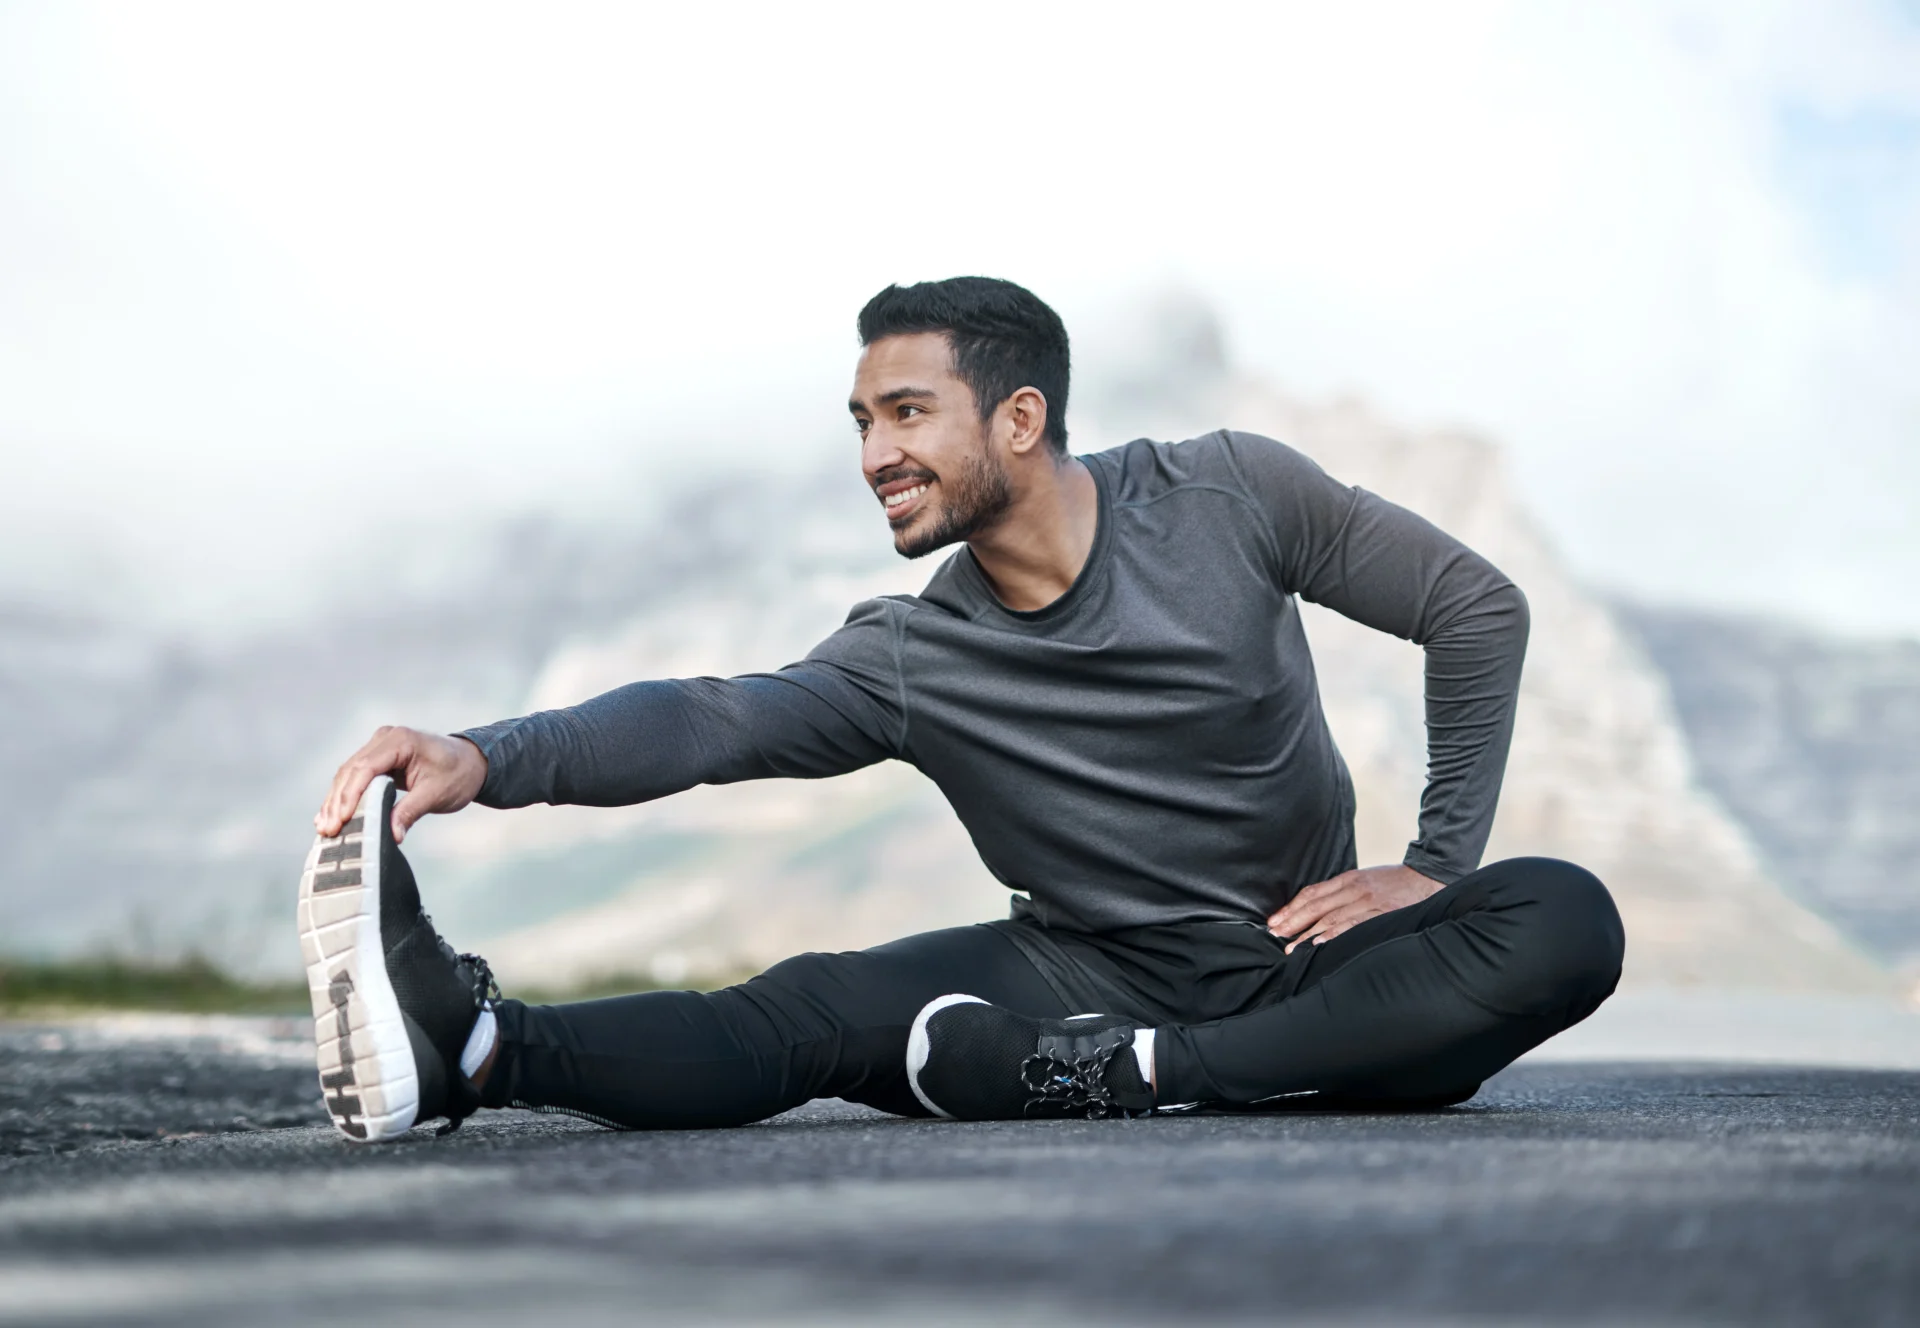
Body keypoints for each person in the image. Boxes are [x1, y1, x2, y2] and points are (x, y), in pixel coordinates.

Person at [300, 276, 1624, 1142]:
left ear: (1020, 418)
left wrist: (1434, 866)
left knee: (1567, 915)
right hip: (1073, 978)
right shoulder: (913, 653)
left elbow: (1476, 608)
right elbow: (712, 721)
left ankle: (1136, 1077)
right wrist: (485, 756)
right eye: (864, 421)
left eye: (909, 413)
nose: (875, 454)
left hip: (1311, 972)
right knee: (806, 1008)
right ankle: (467, 1051)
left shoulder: (1230, 496)